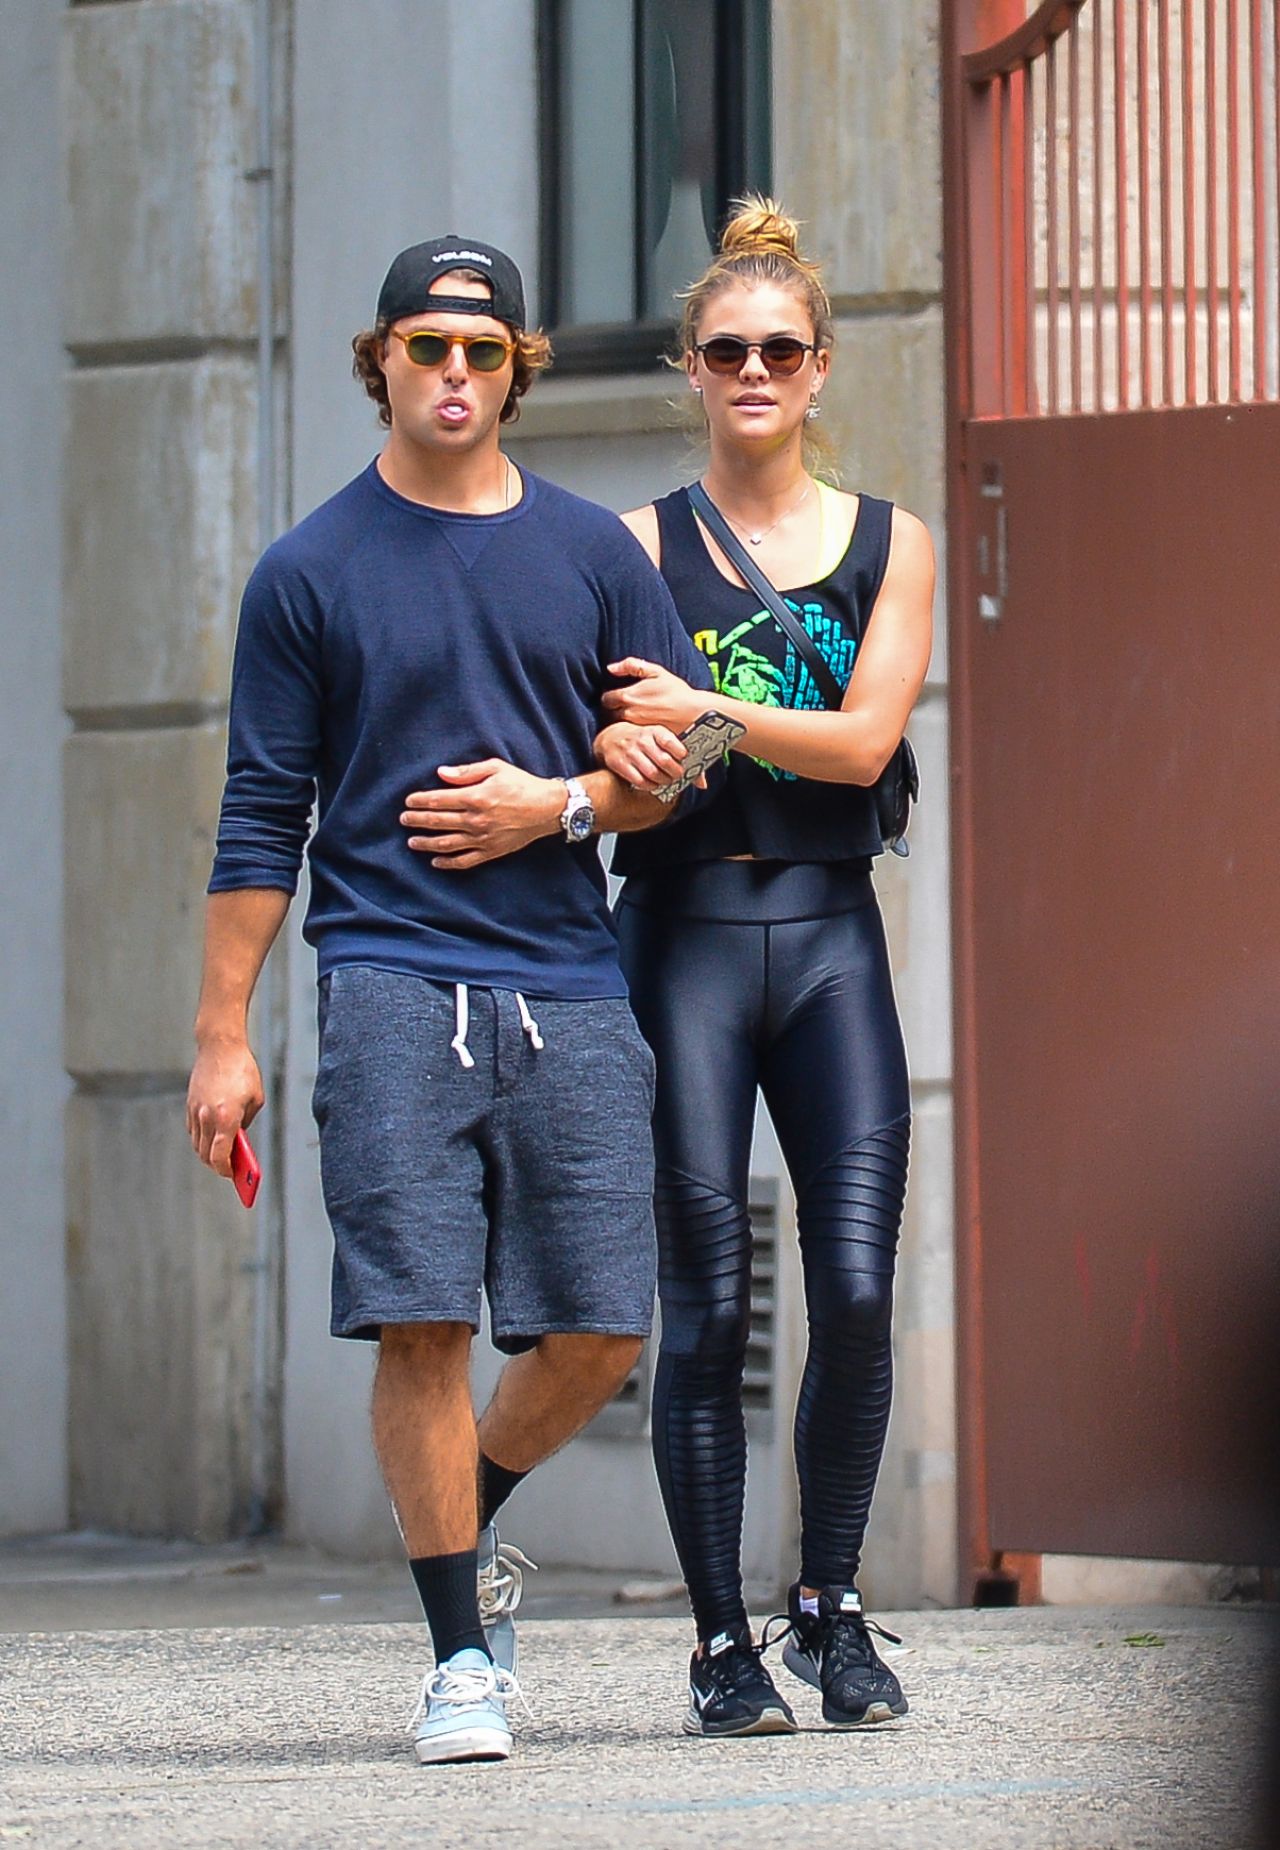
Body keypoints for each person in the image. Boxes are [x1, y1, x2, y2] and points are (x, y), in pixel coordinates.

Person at [186, 235, 712, 1766]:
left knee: (607, 1327)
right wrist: (224, 1030)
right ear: (384, 360)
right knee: (419, 1318)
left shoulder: (593, 557)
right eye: (429, 347)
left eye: (484, 352)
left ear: (518, 369)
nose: (457, 375)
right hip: (390, 974)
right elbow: (258, 815)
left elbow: (664, 774)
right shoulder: (309, 572)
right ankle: (459, 1654)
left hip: (567, 975)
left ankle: (456, 1518)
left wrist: (552, 807)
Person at [596, 197, 935, 1737]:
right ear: (689, 367)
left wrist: (714, 711)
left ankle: (832, 1607)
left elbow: (866, 745)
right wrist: (668, 737)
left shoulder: (892, 543)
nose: (751, 369)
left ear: (818, 369)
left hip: (828, 935)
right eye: (725, 349)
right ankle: (721, 1637)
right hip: (681, 941)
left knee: (855, 1287)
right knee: (705, 1299)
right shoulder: (632, 549)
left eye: (777, 350)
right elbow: (625, 759)